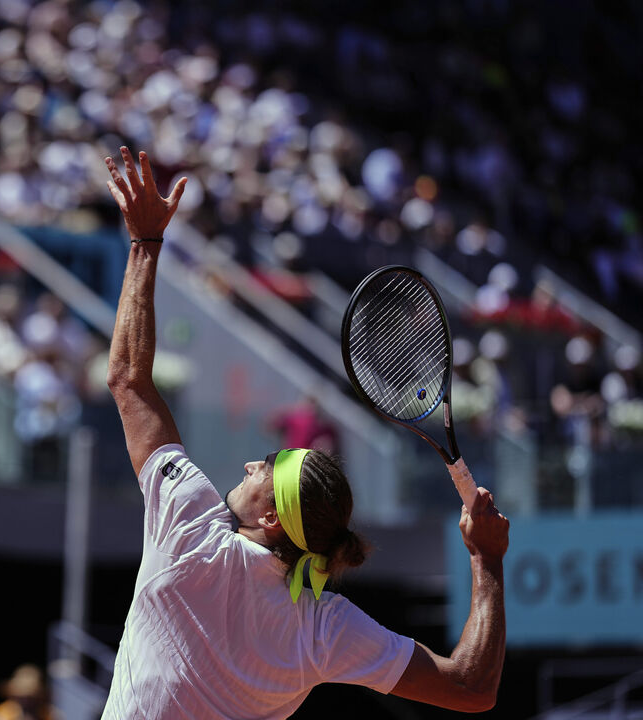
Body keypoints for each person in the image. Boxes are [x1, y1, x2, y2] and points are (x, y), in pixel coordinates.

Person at [100, 147, 510, 718]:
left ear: (271, 518)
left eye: (265, 465)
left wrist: (145, 243)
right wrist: (486, 563)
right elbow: (471, 688)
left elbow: (128, 381)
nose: (248, 465)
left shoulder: (191, 528)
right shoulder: (324, 628)